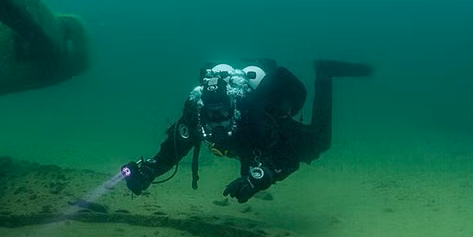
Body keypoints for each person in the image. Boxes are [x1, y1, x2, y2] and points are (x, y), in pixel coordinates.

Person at [120, 59, 373, 203]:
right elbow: (171, 151)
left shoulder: (253, 114)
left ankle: (324, 75)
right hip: (244, 144)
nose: (216, 118)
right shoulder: (195, 114)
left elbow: (288, 158)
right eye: (212, 113)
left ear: (232, 104)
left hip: (260, 133)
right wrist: (148, 172)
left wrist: (259, 178)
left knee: (319, 143)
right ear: (202, 107)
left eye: (222, 112)